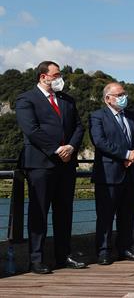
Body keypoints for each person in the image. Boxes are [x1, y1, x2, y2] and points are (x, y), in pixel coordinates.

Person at [16, 61, 85, 274]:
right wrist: (57, 149)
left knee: (64, 211)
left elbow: (79, 126)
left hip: (66, 165)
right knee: (39, 212)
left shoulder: (67, 100)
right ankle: (36, 260)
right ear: (43, 77)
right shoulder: (26, 99)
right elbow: (32, 130)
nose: (59, 78)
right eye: (56, 75)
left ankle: (63, 255)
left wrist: (71, 147)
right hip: (40, 164)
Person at [89, 82, 134, 265]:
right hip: (108, 174)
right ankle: (104, 251)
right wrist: (124, 154)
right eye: (119, 94)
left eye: (124, 93)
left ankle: (125, 248)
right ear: (108, 98)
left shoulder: (132, 115)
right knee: (105, 215)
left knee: (128, 214)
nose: (124, 97)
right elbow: (100, 141)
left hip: (131, 172)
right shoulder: (97, 116)